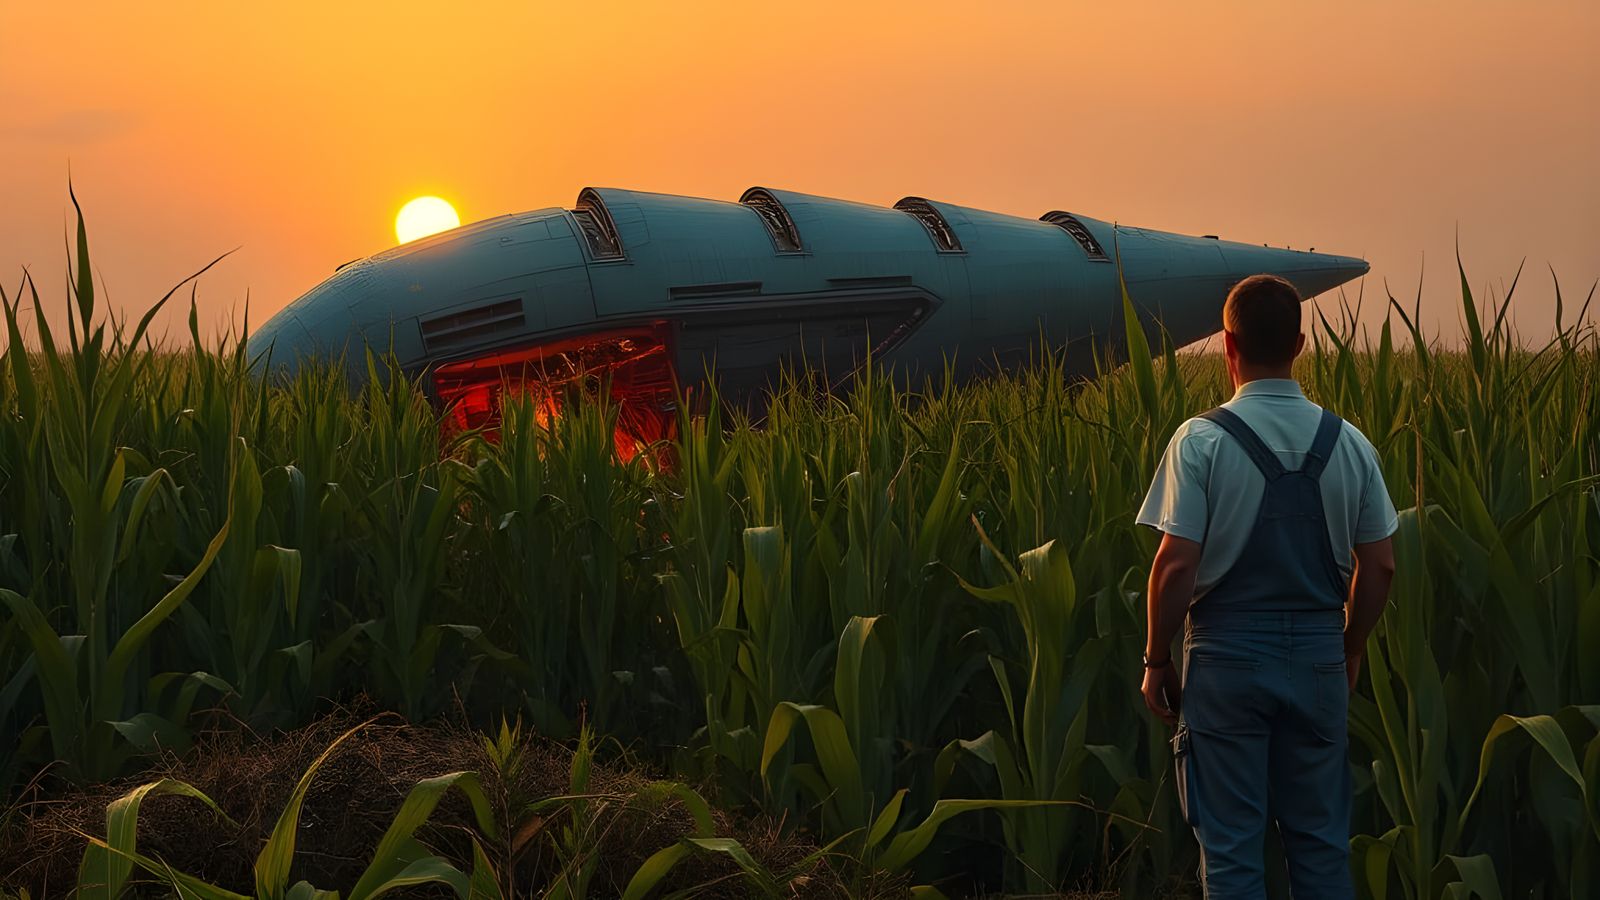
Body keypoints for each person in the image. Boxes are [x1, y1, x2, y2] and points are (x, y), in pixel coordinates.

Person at [1135, 274, 1399, 898]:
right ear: (1301, 345)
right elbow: (1381, 566)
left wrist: (1156, 658)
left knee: (1231, 851)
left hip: (1226, 658)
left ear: (1228, 345)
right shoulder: (1352, 444)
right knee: (1320, 844)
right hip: (1317, 655)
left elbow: (1175, 565)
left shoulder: (1200, 440)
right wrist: (1352, 646)